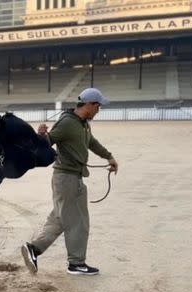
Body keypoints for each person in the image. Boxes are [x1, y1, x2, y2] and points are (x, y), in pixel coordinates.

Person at [21, 88, 119, 276]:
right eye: (98, 106)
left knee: (60, 219)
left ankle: (33, 248)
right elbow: (45, 144)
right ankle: (76, 264)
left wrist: (109, 157)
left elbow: (91, 142)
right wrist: (41, 135)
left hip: (73, 177)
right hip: (66, 178)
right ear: (89, 105)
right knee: (78, 221)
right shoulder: (66, 123)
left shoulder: (82, 124)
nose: (99, 110)